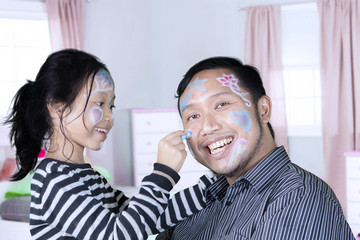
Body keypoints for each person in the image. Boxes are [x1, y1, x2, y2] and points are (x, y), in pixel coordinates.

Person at [4, 49, 213, 239]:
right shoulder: (54, 179)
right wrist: (163, 173)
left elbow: (148, 217)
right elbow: (118, 235)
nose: (109, 117)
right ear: (58, 107)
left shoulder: (88, 176)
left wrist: (210, 187)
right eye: (99, 104)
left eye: (111, 106)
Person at [156, 56, 355, 239]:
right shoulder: (198, 201)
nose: (207, 127)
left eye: (222, 104)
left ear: (263, 109)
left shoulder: (297, 196)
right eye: (193, 116)